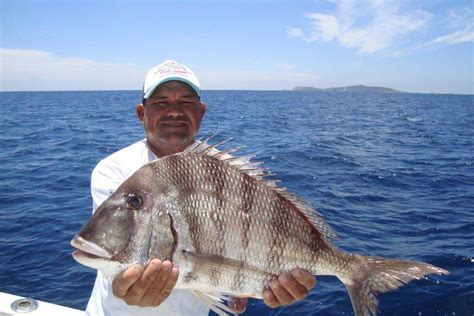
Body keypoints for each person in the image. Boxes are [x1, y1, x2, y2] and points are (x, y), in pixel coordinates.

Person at [85, 60, 317, 315]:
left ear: (201, 111)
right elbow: (112, 256)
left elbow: (235, 265)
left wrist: (259, 290)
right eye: (161, 103)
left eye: (186, 103)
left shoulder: (231, 173)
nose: (174, 111)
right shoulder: (114, 170)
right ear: (143, 113)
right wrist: (122, 285)